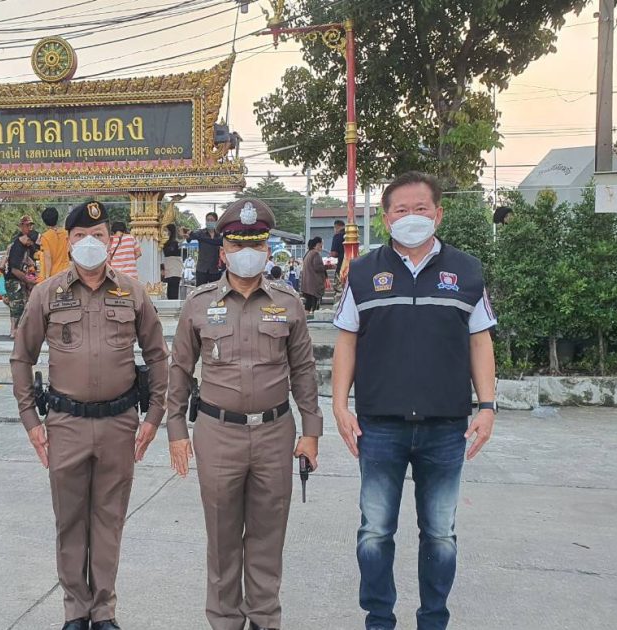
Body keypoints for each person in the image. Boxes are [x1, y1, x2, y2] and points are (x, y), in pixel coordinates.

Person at [332, 171, 498, 630]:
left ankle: (433, 620)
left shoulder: (466, 271)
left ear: (438, 214)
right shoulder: (363, 272)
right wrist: (340, 405)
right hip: (379, 426)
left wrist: (487, 406)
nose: (411, 217)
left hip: (445, 427)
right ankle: (378, 619)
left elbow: (480, 340)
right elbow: (346, 340)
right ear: (386, 219)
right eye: (401, 210)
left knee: (441, 534)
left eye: (420, 208)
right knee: (374, 532)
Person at [10, 200, 168, 630]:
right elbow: (22, 357)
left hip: (120, 422)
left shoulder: (132, 292)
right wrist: (31, 420)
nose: (89, 243)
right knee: (70, 520)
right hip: (66, 423)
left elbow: (157, 355)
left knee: (109, 520)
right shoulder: (47, 293)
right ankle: (75, 611)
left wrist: (154, 415)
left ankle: (104, 611)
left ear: (110, 240)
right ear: (68, 241)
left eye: (97, 236)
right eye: (79, 236)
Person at [166, 198, 323, 630]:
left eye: (256, 244)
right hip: (218, 434)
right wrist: (176, 429)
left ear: (268, 248)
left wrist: (311, 431)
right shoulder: (199, 303)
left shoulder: (288, 303)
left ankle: (264, 619)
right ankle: (225, 621)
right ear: (224, 251)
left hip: (275, 434)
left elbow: (303, 369)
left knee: (268, 538)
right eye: (238, 244)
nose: (247, 252)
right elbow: (180, 369)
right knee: (222, 539)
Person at [5, 230, 37, 338]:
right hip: (13, 280)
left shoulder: (25, 247)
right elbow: (14, 270)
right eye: (31, 242)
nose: (31, 245)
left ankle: (18, 329)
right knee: (16, 306)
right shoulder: (16, 248)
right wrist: (29, 280)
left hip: (21, 279)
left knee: (22, 304)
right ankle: (14, 329)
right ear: (27, 239)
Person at [187, 212, 225, 285]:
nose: (209, 222)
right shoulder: (200, 233)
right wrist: (188, 235)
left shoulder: (219, 235)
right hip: (202, 268)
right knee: (200, 290)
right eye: (207, 220)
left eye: (211, 220)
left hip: (215, 269)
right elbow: (191, 237)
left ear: (216, 222)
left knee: (214, 290)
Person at [37, 206, 71, 282]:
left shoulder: (45, 237)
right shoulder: (66, 233)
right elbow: (69, 250)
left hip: (54, 275)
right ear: (57, 218)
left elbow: (48, 257)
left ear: (44, 221)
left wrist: (47, 277)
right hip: (66, 271)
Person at [301, 237, 327, 315]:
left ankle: (306, 318)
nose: (322, 247)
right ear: (317, 244)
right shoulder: (315, 254)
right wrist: (328, 266)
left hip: (307, 283)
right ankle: (314, 318)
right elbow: (318, 267)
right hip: (314, 283)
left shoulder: (308, 253)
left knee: (308, 303)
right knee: (315, 304)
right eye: (321, 245)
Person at [162, 223, 183, 299]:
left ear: (170, 231)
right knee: (169, 291)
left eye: (166, 230)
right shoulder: (168, 243)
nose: (165, 233)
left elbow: (169, 251)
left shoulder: (174, 243)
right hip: (169, 269)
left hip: (174, 270)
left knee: (173, 291)